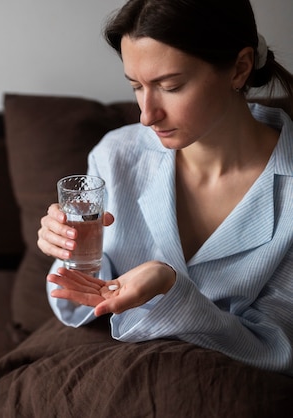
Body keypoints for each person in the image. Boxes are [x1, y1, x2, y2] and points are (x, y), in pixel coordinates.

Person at [37, 0, 293, 375]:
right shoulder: (115, 156)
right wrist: (73, 252)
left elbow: (276, 350)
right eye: (137, 86)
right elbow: (88, 298)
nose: (147, 114)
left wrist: (170, 288)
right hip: (116, 371)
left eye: (170, 86)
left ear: (238, 69)